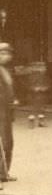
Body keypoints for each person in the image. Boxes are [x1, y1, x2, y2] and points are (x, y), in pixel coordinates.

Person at [0, 43, 16, 185]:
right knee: (3, 144)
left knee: (8, 143)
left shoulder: (6, 70)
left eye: (7, 53)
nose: (6, 56)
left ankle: (4, 174)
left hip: (6, 113)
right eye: (3, 53)